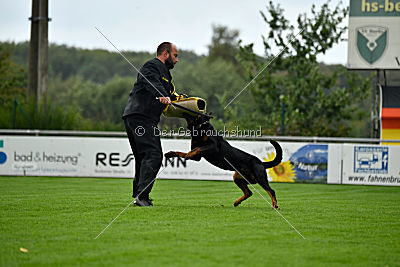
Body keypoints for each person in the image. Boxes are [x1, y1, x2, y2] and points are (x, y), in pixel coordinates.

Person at [122, 42, 179, 206]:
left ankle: (138, 195)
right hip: (141, 117)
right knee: (153, 155)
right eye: (175, 55)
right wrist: (162, 94)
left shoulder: (166, 75)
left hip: (139, 117)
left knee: (143, 157)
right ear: (166, 54)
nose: (177, 60)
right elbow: (150, 81)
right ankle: (142, 197)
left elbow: (171, 95)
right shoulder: (152, 66)